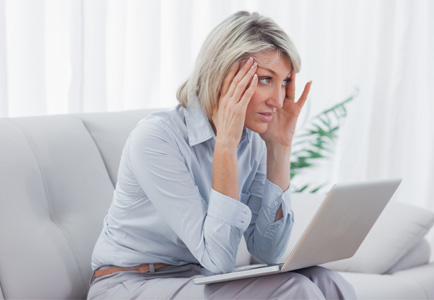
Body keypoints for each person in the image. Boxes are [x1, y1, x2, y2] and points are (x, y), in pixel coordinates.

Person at [87, 11, 357, 299]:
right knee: (295, 289)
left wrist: (279, 147)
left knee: (325, 280)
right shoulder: (156, 138)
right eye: (266, 79)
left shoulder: (253, 142)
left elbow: (268, 251)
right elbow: (218, 261)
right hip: (128, 283)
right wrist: (225, 146)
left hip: (196, 279)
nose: (278, 101)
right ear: (224, 75)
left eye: (284, 82)